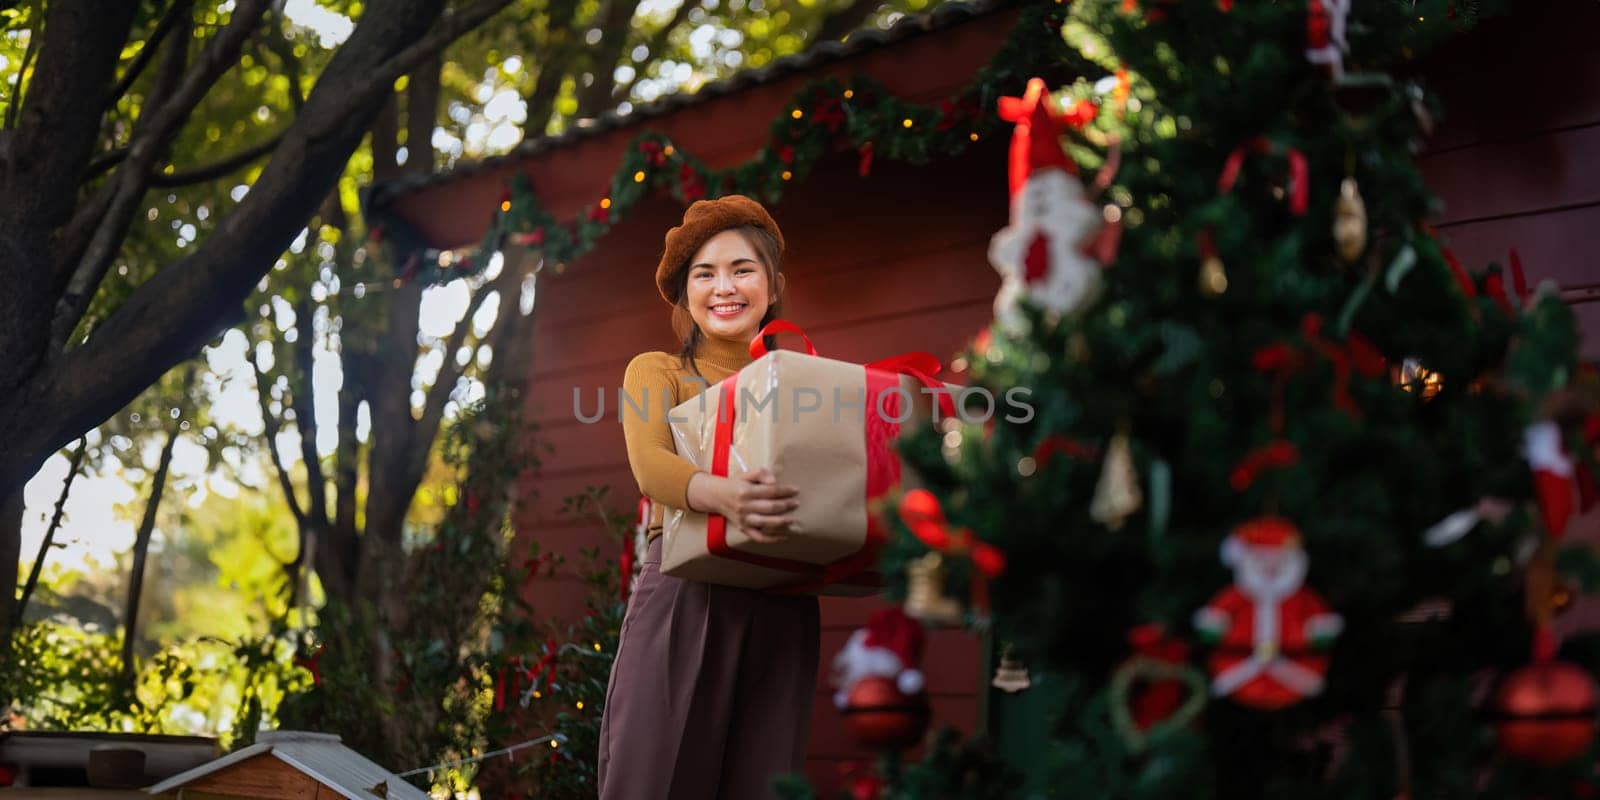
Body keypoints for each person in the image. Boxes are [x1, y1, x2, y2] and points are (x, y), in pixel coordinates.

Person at [597, 195, 821, 800]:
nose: (725, 287)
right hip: (685, 587)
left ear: (773, 287)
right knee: (653, 777)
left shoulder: (804, 383)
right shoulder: (657, 371)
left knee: (762, 779)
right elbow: (651, 467)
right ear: (685, 293)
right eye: (706, 273)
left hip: (784, 596)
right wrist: (726, 496)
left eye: (742, 270)